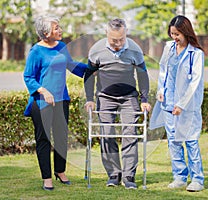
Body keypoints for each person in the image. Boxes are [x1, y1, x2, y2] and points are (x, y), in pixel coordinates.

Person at [84, 18, 151, 189]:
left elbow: (143, 76)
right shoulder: (96, 50)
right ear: (107, 34)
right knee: (107, 133)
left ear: (125, 33)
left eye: (121, 39)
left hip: (129, 97)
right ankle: (114, 174)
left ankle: (129, 176)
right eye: (114, 40)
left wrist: (144, 100)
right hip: (105, 97)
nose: (118, 43)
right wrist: (90, 99)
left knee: (130, 133)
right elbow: (89, 76)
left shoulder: (134, 49)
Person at [23, 15, 87, 191]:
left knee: (61, 138)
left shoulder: (61, 47)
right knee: (44, 139)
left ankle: (60, 171)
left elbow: (71, 65)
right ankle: (47, 178)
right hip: (41, 102)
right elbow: (28, 77)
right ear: (45, 32)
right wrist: (43, 91)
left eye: (59, 27)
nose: (60, 30)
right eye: (56, 28)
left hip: (61, 99)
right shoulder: (36, 51)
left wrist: (92, 69)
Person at [149, 15, 205, 192]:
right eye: (172, 33)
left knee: (190, 141)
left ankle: (197, 179)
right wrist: (160, 90)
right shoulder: (169, 48)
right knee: (173, 141)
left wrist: (181, 104)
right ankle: (180, 177)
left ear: (186, 33)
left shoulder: (196, 54)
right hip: (168, 103)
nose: (174, 38)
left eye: (177, 34)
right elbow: (163, 70)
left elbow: (195, 82)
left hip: (187, 106)